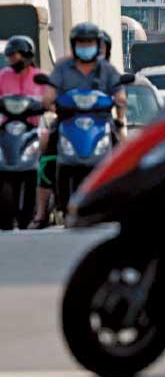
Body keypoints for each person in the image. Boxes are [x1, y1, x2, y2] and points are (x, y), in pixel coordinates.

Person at [32, 22, 127, 227]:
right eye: (81, 43)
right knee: (46, 153)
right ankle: (41, 213)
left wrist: (119, 119)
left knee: (121, 155)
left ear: (97, 44)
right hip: (66, 121)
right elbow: (49, 95)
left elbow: (120, 96)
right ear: (74, 45)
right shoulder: (62, 67)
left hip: (102, 122)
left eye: (90, 43)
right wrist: (52, 105)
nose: (86, 47)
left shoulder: (107, 70)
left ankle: (122, 205)